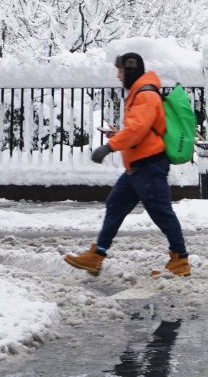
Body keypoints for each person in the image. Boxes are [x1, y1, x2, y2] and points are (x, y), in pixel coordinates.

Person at [63, 52, 190, 277]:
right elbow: (139, 128)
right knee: (115, 205)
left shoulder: (146, 95)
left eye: (120, 71)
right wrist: (119, 135)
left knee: (162, 213)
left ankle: (180, 260)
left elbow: (137, 130)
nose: (118, 77)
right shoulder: (139, 93)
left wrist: (110, 146)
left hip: (150, 167)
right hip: (136, 168)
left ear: (130, 70)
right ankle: (97, 256)